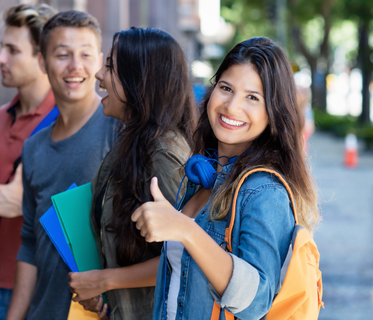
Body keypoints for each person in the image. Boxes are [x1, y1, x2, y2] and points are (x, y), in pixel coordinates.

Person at [131, 37, 321, 320]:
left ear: (273, 113)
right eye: (226, 88)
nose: (232, 107)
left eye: (253, 98)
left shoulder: (264, 191)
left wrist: (185, 229)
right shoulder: (202, 176)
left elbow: (257, 302)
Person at [67, 27, 197, 320]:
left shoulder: (164, 154)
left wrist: (105, 280)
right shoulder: (133, 143)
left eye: (110, 66)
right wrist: (102, 293)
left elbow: (191, 254)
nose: (99, 75)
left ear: (140, 81)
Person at [6, 11, 118, 320]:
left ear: (98, 61)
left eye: (85, 55)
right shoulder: (34, 148)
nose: (75, 66)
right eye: (62, 55)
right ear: (42, 62)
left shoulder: (118, 130)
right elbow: (29, 242)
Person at [0, 4, 57, 319]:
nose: (0, 58)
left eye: (12, 50)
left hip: (46, 287)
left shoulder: (66, 120)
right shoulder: (2, 115)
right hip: (0, 281)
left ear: (41, 58)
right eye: (2, 47)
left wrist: (26, 203)